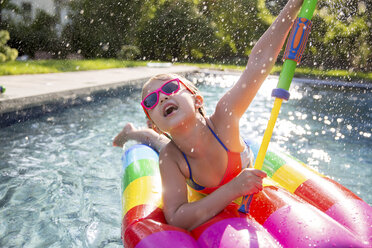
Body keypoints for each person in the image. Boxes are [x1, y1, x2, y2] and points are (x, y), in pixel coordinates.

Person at [114, 0, 304, 230]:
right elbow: (176, 216)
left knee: (160, 142)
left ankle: (134, 131)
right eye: (151, 100)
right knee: (157, 142)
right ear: (155, 122)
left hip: (231, 154)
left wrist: (293, 5)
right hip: (171, 145)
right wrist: (234, 189)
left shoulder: (225, 117)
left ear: (197, 99)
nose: (162, 97)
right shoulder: (171, 158)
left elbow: (259, 62)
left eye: (170, 88)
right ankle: (134, 133)